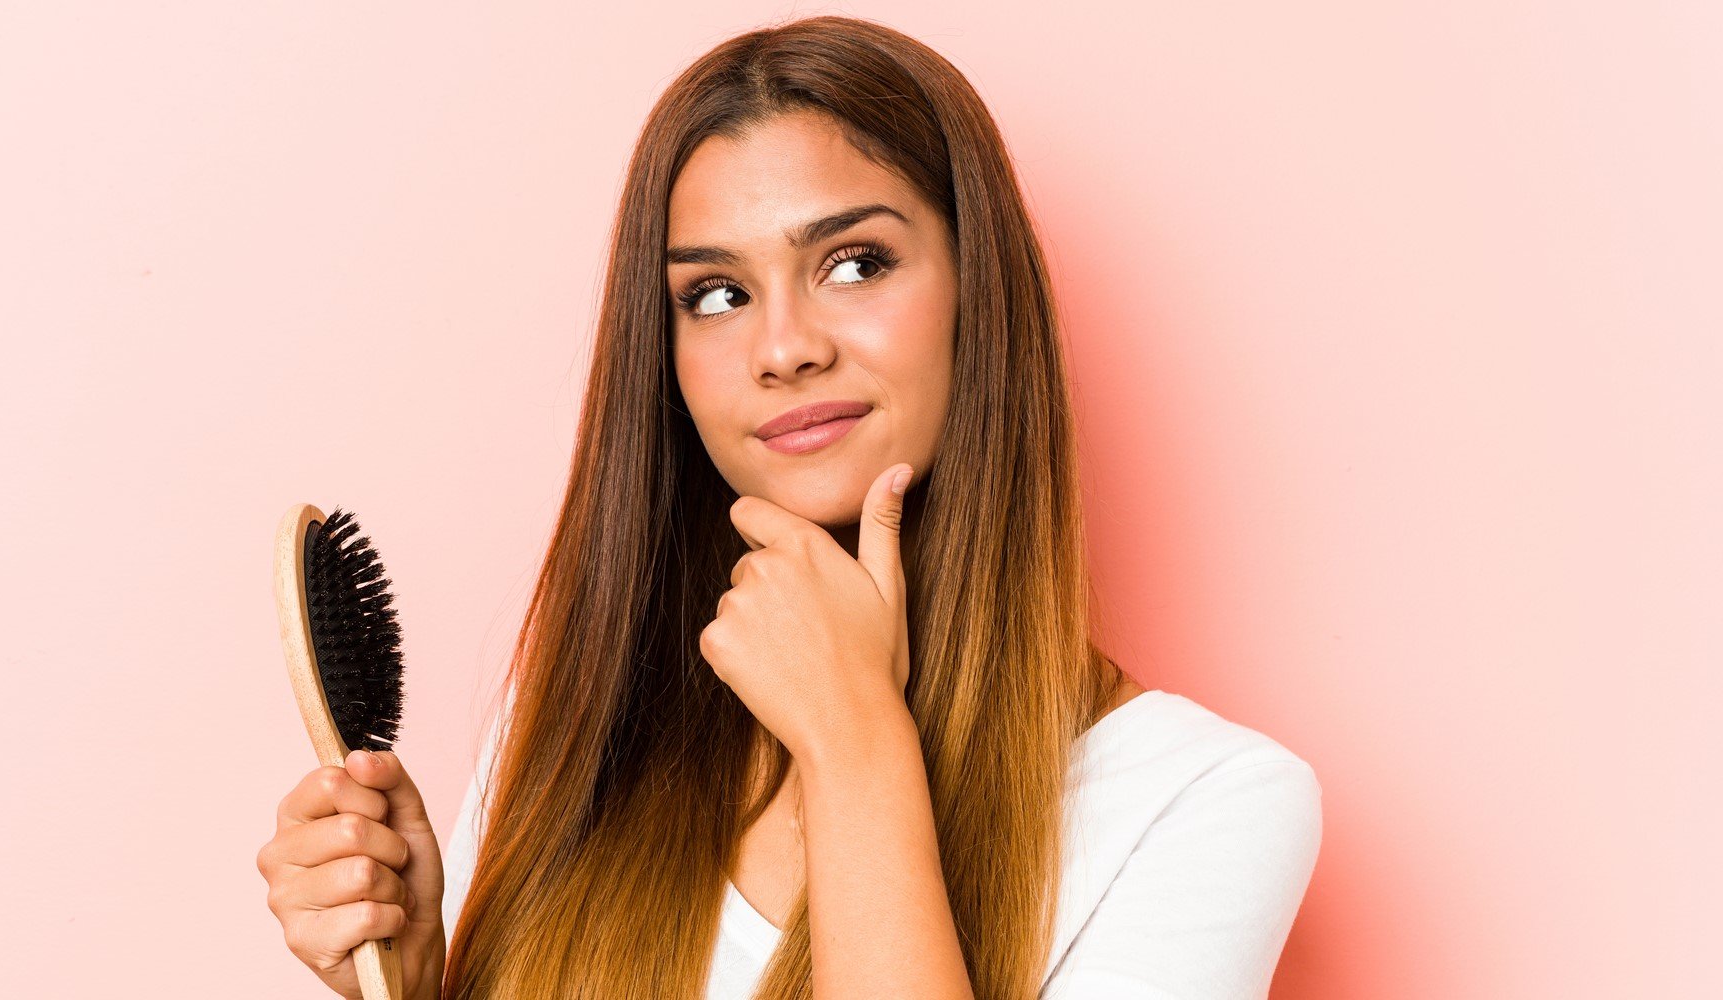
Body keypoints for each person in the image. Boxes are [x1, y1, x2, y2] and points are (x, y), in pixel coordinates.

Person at [256, 14, 1322, 999]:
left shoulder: (1203, 804)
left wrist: (856, 743)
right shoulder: (579, 725)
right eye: (716, 294)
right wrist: (415, 977)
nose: (783, 347)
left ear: (977, 292)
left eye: (854, 264)